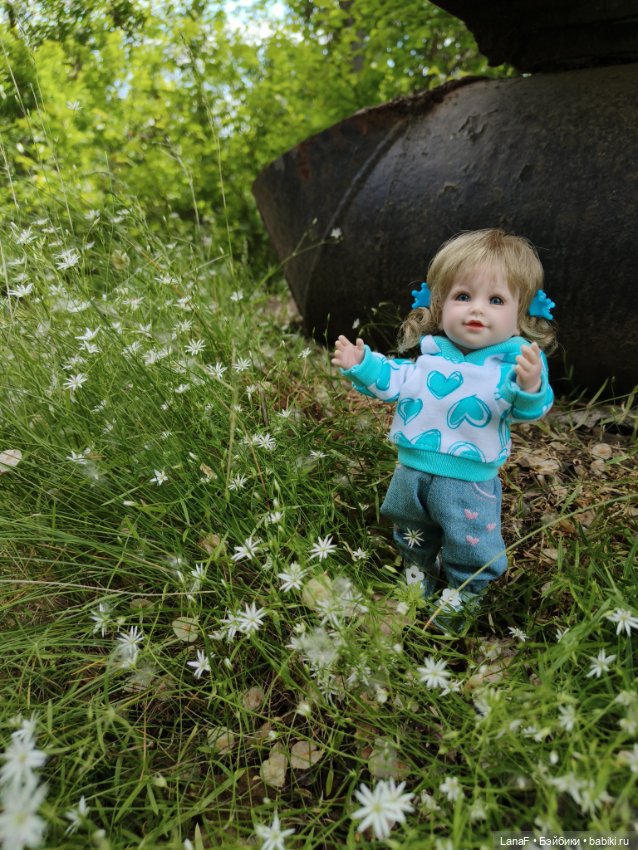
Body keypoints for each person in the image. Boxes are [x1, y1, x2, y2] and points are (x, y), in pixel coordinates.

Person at [331, 229, 557, 627]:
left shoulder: (510, 370)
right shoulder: (428, 361)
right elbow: (392, 378)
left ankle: (465, 591)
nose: (477, 310)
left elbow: (529, 408)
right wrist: (361, 364)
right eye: (463, 296)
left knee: (470, 539)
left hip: (468, 482)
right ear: (439, 306)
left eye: (496, 300)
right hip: (411, 472)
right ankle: (417, 571)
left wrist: (530, 384)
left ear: (520, 316)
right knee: (410, 528)